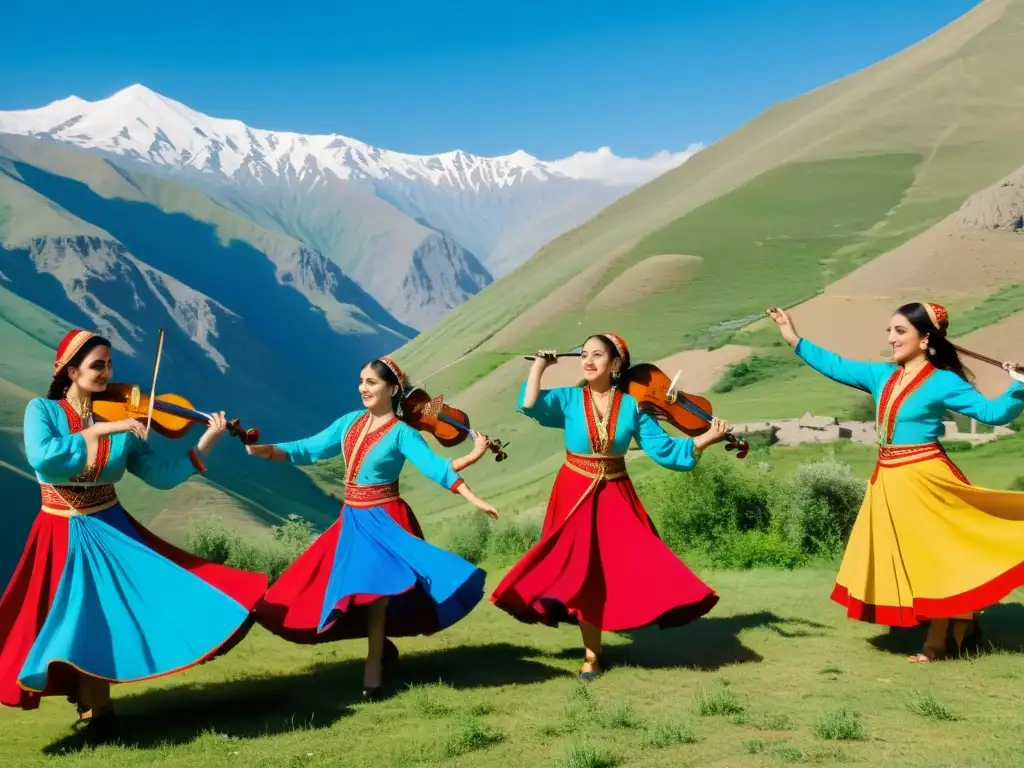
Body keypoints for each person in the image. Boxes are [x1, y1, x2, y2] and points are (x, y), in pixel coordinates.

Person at [0, 329, 268, 735]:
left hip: (111, 524)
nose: (107, 372)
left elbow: (161, 477)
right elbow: (46, 458)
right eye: (97, 365)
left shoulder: (124, 421)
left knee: (115, 613)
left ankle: (97, 711)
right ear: (71, 371)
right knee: (75, 618)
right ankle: (94, 707)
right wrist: (101, 431)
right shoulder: (44, 411)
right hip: (61, 530)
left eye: (110, 364)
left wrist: (208, 442)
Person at [766, 303, 1024, 661]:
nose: (890, 339)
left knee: (932, 557)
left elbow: (993, 414)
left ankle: (936, 645)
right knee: (907, 558)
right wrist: (793, 337)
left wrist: (1019, 387)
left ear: (925, 339)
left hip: (926, 478)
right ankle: (962, 625)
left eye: (900, 331)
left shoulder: (944, 381)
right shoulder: (882, 376)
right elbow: (836, 365)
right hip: (888, 480)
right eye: (890, 330)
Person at [246, 356, 498, 698]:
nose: (363, 388)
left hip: (385, 518)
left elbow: (438, 469)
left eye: (372, 382)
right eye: (361, 381)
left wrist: (475, 498)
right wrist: (264, 450)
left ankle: (373, 670)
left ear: (392, 389)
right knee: (343, 588)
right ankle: (382, 651)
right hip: (352, 519)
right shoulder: (350, 422)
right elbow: (309, 449)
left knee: (376, 592)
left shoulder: (403, 433)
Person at [490, 334, 728, 681]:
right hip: (574, 491)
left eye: (597, 355)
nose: (587, 360)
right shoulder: (570, 399)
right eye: (584, 354)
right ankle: (591, 657)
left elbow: (664, 450)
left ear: (615, 364)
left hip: (616, 492)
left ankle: (648, 611)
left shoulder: (632, 407)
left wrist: (707, 438)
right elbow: (530, 404)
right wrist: (540, 366)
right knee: (584, 572)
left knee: (634, 561)